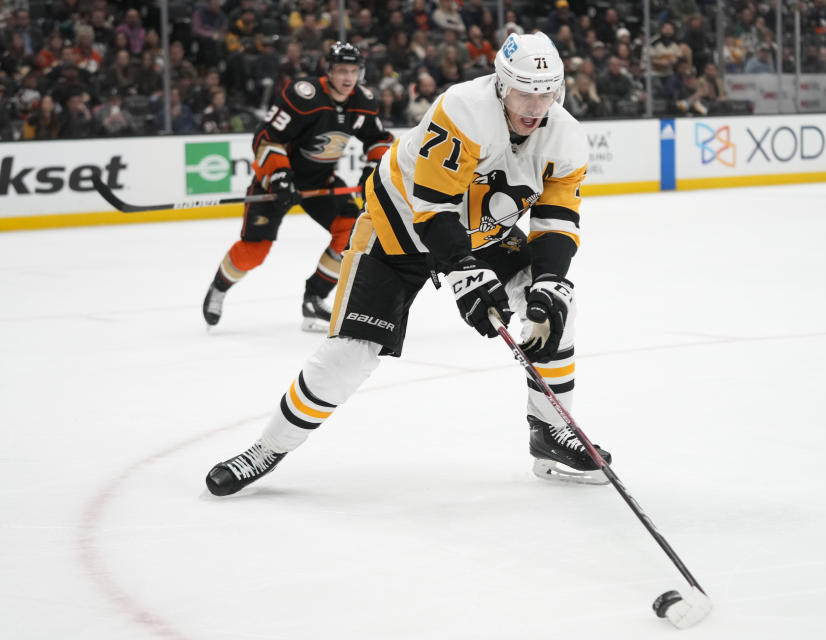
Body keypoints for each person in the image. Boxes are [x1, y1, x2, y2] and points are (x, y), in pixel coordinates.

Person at [205, 32, 613, 497]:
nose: (535, 105)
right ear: (501, 84)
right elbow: (433, 210)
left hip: (483, 229)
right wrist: (463, 269)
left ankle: (549, 432)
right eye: (524, 91)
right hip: (399, 225)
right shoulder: (462, 108)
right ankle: (266, 449)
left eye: (546, 93)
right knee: (351, 354)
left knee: (557, 307)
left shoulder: (567, 136)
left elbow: (557, 220)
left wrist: (550, 282)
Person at [202, 42, 395, 332]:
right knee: (255, 249)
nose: (348, 78)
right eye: (342, 70)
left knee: (350, 230)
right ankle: (219, 287)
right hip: (277, 182)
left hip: (320, 180)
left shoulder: (363, 101)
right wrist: (280, 177)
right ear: (329, 70)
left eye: (354, 71)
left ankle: (314, 298)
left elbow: (379, 140)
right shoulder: (303, 96)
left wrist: (371, 170)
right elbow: (266, 138)